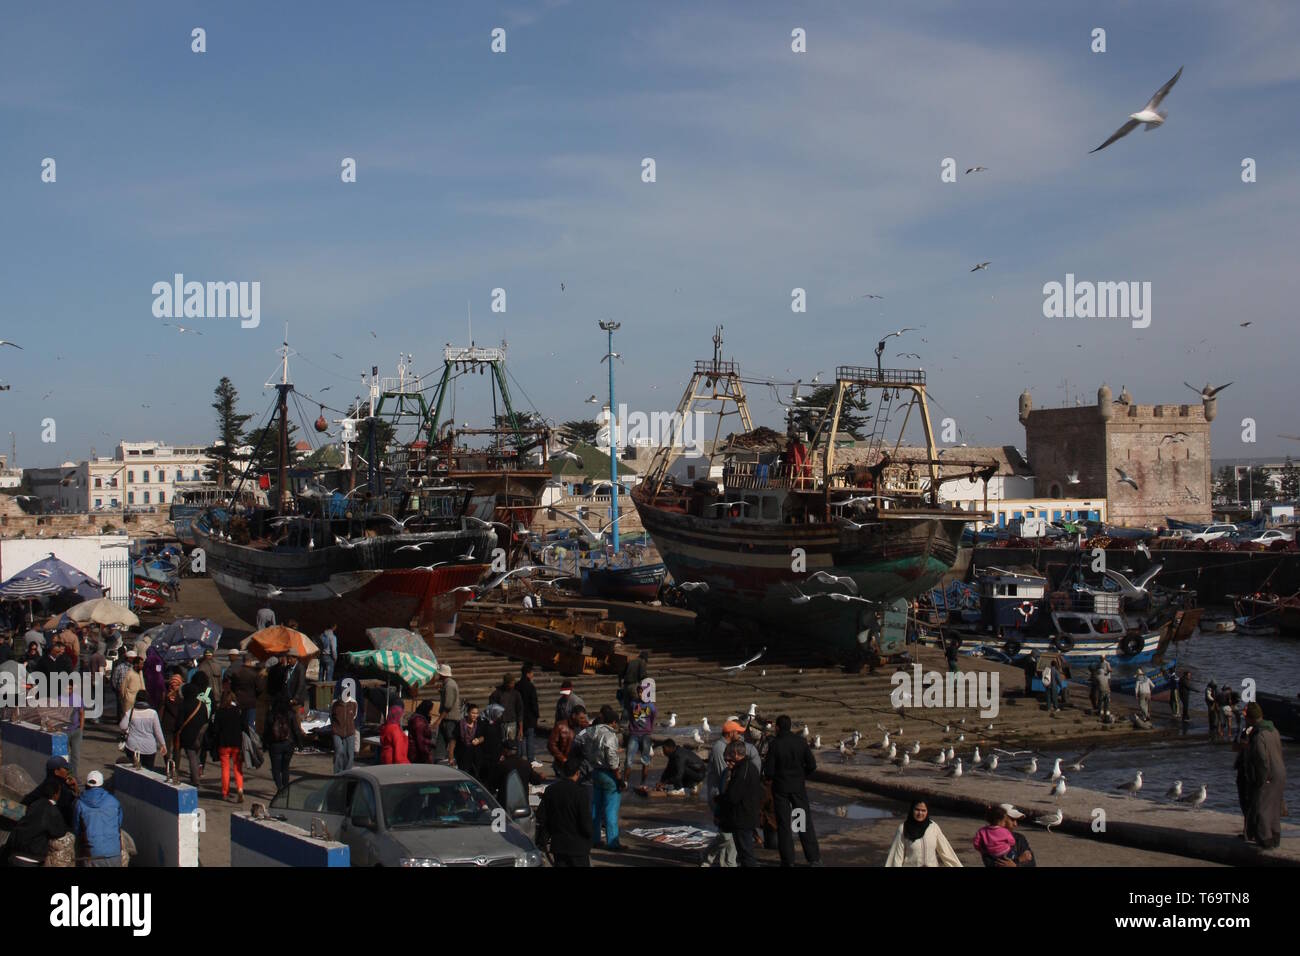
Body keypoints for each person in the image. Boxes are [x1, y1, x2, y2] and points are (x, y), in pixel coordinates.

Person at [763, 714, 822, 866]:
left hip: (781, 789)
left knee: (784, 825)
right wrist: (801, 776)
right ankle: (813, 858)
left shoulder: (775, 744)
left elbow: (768, 771)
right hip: (797, 788)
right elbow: (812, 765)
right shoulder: (801, 742)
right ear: (790, 726)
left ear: (777, 727)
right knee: (802, 823)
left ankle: (788, 860)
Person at [1242, 702, 1286, 848]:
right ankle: (1276, 837)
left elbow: (1261, 759)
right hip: (1280, 772)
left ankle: (1266, 840)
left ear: (1251, 718)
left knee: (1262, 807)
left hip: (1269, 774)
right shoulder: (1274, 730)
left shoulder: (1259, 735)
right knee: (1274, 807)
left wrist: (1262, 779)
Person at [537, 755, 593, 866]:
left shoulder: (551, 790)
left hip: (559, 846)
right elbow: (585, 821)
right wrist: (590, 836)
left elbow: (542, 816)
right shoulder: (580, 793)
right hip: (578, 847)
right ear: (577, 773)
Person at [4, 776, 67, 867]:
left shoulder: (34, 805)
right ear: (55, 794)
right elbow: (59, 831)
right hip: (31, 858)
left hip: (15, 853)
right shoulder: (52, 811)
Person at [585, 704, 623, 851]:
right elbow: (612, 757)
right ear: (613, 722)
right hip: (608, 774)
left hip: (596, 772)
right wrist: (618, 777)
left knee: (596, 807)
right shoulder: (610, 735)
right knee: (610, 810)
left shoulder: (593, 732)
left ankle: (595, 839)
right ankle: (613, 842)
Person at [719, 739, 762, 866]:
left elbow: (733, 796)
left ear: (736, 754)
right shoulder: (748, 766)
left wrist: (721, 799)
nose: (727, 762)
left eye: (728, 758)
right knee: (745, 852)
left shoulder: (742, 770)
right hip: (747, 814)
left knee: (746, 854)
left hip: (743, 817)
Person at [886, 800, 962, 867]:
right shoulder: (903, 828)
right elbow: (896, 857)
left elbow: (946, 852)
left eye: (923, 810)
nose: (920, 813)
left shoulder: (933, 827)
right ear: (912, 810)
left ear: (927, 811)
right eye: (917, 809)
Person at [73, 771, 123, 867]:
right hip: (114, 853)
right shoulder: (114, 802)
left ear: (87, 785)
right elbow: (118, 824)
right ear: (102, 785)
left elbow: (77, 829)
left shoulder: (79, 803)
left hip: (92, 854)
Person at [490, 739, 544, 811]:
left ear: (505, 750)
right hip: (522, 804)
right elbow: (536, 780)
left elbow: (493, 784)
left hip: (505, 805)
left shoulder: (502, 765)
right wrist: (541, 776)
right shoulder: (525, 764)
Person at [265, 696, 305, 791]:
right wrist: (300, 743)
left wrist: (265, 744)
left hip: (275, 745)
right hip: (288, 744)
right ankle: (285, 788)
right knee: (285, 768)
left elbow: (266, 731)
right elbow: (296, 729)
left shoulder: (271, 714)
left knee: (276, 769)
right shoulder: (290, 714)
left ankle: (280, 788)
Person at [119, 694, 167, 771]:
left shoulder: (131, 712)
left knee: (132, 770)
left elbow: (122, 726)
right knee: (148, 771)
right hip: (149, 747)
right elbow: (158, 731)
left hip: (132, 746)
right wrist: (162, 744)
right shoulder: (153, 713)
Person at [214, 690, 246, 802]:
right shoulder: (238, 711)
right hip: (237, 743)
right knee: (238, 768)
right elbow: (244, 726)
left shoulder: (220, 712)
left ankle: (225, 792)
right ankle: (240, 788)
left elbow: (216, 729)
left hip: (224, 743)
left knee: (225, 768)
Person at [177, 680, 210, 787]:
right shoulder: (201, 705)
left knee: (191, 757)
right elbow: (206, 719)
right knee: (197, 756)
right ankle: (196, 774)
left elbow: (179, 722)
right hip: (200, 735)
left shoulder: (184, 705)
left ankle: (195, 779)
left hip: (188, 736)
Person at [623, 682, 656, 787]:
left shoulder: (651, 706)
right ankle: (625, 782)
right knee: (629, 759)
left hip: (646, 734)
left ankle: (643, 783)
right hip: (634, 734)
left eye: (643, 692)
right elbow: (632, 715)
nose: (641, 694)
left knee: (645, 760)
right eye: (639, 692)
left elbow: (652, 718)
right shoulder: (633, 703)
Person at [548, 704, 587, 776]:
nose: (583, 720)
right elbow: (551, 745)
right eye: (581, 718)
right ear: (574, 716)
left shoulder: (583, 727)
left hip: (578, 765)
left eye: (584, 718)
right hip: (564, 765)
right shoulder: (560, 726)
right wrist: (563, 759)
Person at [227, 652, 261, 729]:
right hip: (251, 702)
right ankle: (250, 740)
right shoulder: (254, 673)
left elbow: (232, 687)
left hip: (238, 701)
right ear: (251, 660)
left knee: (239, 723)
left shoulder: (236, 672)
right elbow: (259, 688)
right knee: (250, 724)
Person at [436, 664, 462, 763]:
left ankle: (450, 759)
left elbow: (448, 705)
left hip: (450, 718)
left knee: (451, 739)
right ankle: (440, 760)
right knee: (442, 740)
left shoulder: (449, 685)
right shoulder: (447, 684)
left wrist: (439, 720)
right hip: (447, 718)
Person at [489, 674, 523, 749]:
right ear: (506, 683)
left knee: (511, 745)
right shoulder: (497, 693)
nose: (512, 685)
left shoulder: (516, 694)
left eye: (513, 683)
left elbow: (520, 711)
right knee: (500, 745)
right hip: (500, 724)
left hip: (512, 723)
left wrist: (520, 728)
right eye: (511, 683)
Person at [455, 702, 488, 779]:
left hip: (476, 756)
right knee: (464, 776)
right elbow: (453, 739)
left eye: (476, 713)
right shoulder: (460, 723)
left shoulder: (480, 723)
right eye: (473, 713)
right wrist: (450, 756)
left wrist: (479, 740)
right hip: (463, 755)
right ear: (468, 713)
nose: (475, 715)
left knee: (475, 777)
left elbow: (484, 736)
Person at [517, 662, 540, 763]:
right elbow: (533, 702)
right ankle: (530, 758)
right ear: (527, 674)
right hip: (530, 716)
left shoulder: (517, 685)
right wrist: (536, 714)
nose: (533, 675)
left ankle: (519, 757)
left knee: (520, 736)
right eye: (532, 673)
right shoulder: (531, 687)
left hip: (519, 715)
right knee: (530, 737)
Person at [331, 688, 358, 773]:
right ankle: (337, 773)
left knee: (350, 754)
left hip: (349, 731)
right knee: (339, 751)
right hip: (337, 731)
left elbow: (354, 716)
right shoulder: (335, 703)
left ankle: (347, 773)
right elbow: (331, 715)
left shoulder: (353, 703)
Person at [619, 651, 649, 716]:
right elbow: (643, 676)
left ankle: (623, 722)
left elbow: (621, 673)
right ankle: (639, 721)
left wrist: (620, 684)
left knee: (626, 706)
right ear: (644, 658)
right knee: (637, 703)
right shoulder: (641, 662)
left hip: (626, 686)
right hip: (634, 686)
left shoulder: (630, 661)